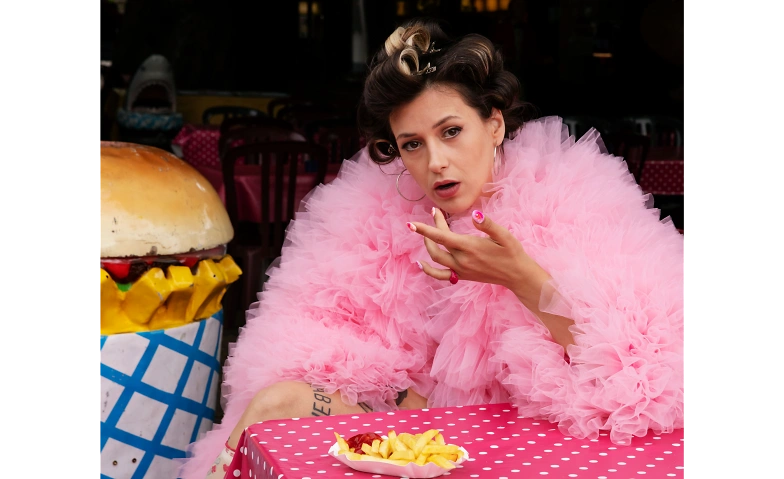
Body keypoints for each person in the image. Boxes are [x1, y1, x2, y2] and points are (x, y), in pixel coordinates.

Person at [179, 18, 684, 479]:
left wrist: (519, 277)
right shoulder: (374, 212)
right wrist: (406, 396)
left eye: (451, 132)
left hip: (540, 445)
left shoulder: (570, 198)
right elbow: (308, 336)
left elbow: (646, 374)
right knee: (275, 405)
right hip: (426, 438)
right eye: (412, 144)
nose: (435, 161)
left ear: (495, 124)